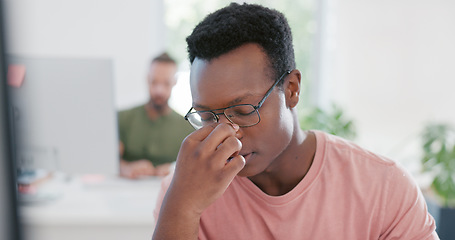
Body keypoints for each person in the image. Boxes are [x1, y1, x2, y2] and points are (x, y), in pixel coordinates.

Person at [152, 3, 438, 239]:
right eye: (207, 117)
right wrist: (182, 208)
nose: (228, 134)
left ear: (291, 90)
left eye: (243, 111)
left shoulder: (383, 187)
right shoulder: (187, 191)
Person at [118, 52, 193, 179]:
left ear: (174, 82)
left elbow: (194, 166)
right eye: (154, 82)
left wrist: (173, 169)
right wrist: (124, 168)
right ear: (147, 79)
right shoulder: (122, 118)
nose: (159, 90)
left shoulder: (188, 128)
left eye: (166, 83)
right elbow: (106, 160)